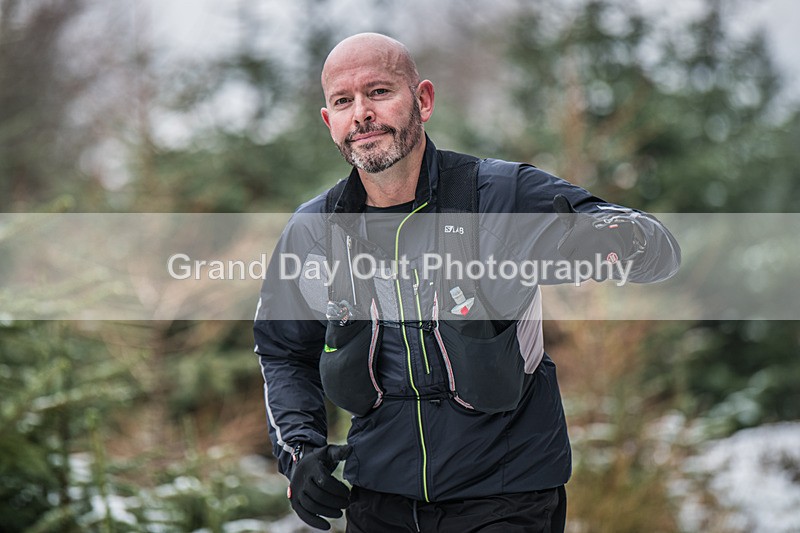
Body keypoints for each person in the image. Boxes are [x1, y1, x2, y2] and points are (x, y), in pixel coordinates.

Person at [254, 32, 680, 532]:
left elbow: (656, 248)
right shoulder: (314, 230)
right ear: (330, 122)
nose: (361, 113)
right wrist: (299, 451)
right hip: (378, 502)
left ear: (423, 100)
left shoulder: (501, 194)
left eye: (379, 92)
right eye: (343, 101)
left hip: (506, 497)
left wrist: (616, 240)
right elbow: (283, 349)